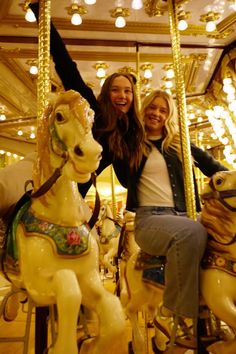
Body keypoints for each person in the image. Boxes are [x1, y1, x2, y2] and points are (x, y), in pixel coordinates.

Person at [124, 89, 228, 348]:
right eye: (152, 107)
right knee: (192, 232)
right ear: (144, 108)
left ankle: (216, 304)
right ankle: (175, 311)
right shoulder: (132, 143)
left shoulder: (179, 144)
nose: (156, 113)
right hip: (151, 221)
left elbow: (214, 167)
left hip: (184, 216)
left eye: (163, 110)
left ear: (169, 115)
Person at [29, 1, 146, 198]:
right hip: (53, 180)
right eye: (116, 90)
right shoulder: (95, 111)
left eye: (127, 91)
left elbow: (127, 179)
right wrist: (40, 12)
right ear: (107, 94)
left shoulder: (129, 132)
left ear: (133, 97)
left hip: (74, 197)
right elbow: (67, 67)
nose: (122, 96)